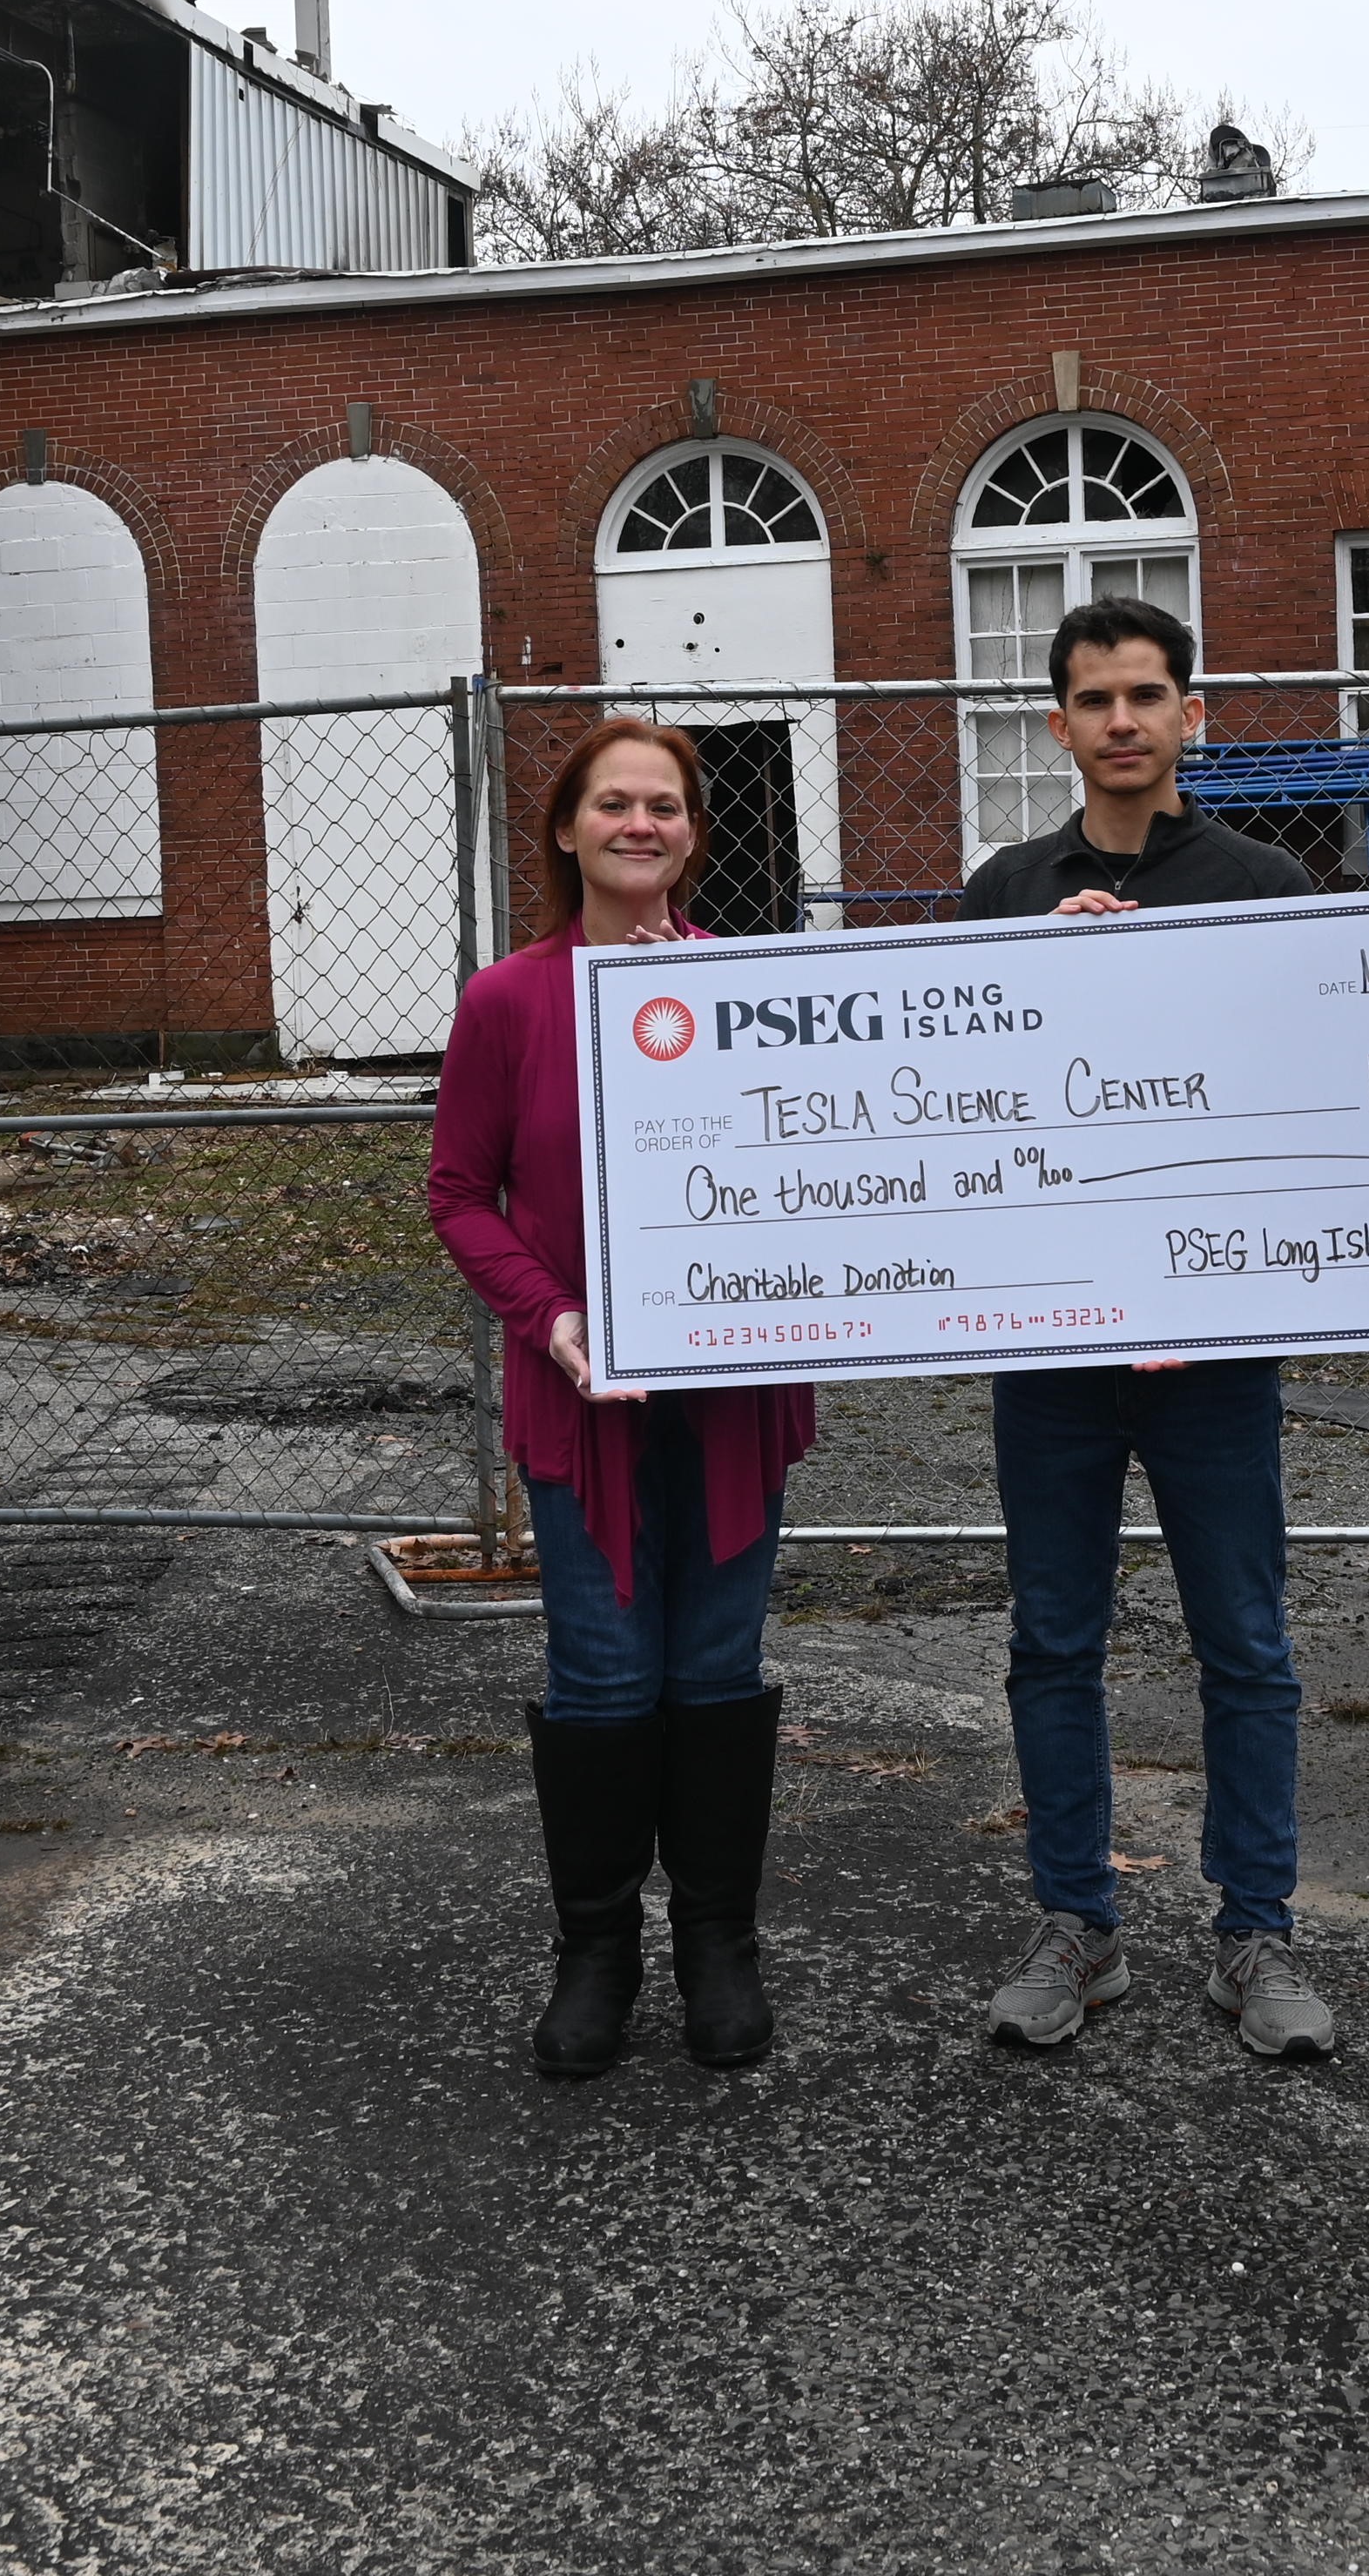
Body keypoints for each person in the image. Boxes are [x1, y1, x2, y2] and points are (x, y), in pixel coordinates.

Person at [956, 595, 1336, 2061]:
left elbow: (1307, 1092)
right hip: (1054, 1352)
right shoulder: (1002, 891)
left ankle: (1259, 1935)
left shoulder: (1262, 882)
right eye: (1096, 699)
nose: (1123, 720)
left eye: (1148, 695)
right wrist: (1040, 969)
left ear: (1193, 716)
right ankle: (1078, 1926)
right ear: (1058, 726)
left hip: (1214, 1351)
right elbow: (961, 1102)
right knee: (1053, 1641)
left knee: (1245, 1641)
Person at [427, 719, 820, 2078]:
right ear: (565, 829)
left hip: (730, 1405)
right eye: (614, 804)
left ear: (695, 836)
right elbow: (459, 1194)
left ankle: (719, 1943)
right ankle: (595, 1949)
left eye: (665, 806)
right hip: (581, 1392)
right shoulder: (510, 1001)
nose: (640, 824)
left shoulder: (747, 987)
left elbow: (817, 1165)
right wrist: (553, 1319)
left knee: (712, 1667)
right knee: (600, 1674)